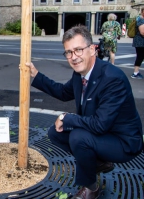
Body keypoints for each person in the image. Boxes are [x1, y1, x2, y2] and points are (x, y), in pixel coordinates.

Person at [25, 25, 143, 199]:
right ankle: (99, 162)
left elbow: (100, 124)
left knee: (78, 137)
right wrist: (36, 75)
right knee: (55, 132)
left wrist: (67, 117)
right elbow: (63, 92)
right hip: (102, 132)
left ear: (92, 49)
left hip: (123, 141)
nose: (73, 57)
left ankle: (91, 188)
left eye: (78, 50)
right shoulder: (80, 74)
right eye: (69, 52)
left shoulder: (112, 79)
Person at [131, 8, 144, 79]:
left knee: (140, 56)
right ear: (142, 12)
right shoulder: (141, 20)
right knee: (140, 56)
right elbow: (142, 32)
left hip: (140, 42)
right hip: (140, 42)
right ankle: (135, 73)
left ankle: (136, 72)